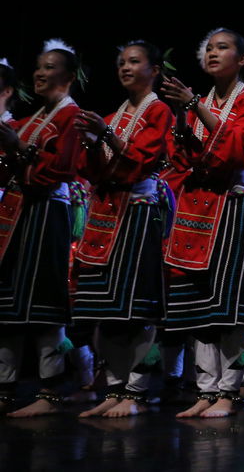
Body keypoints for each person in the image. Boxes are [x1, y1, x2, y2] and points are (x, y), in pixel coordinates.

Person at [161, 28, 244, 417]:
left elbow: (238, 150)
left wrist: (193, 105)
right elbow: (181, 159)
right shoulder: (197, 103)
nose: (212, 53)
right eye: (208, 48)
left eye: (222, 48)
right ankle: (206, 391)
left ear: (241, 59)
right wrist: (182, 115)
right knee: (199, 305)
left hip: (234, 205)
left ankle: (229, 390)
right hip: (196, 209)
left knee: (230, 303)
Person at [73, 40, 173, 418]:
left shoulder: (159, 111)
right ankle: (114, 389)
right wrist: (91, 144)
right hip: (106, 216)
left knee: (137, 309)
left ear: (154, 70)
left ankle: (137, 391)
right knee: (108, 310)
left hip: (139, 213)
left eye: (134, 61)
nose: (125, 68)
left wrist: (106, 136)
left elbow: (140, 162)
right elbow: (94, 171)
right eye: (121, 63)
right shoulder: (113, 116)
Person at [0, 40, 83, 417]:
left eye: (49, 67)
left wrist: (17, 147)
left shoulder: (71, 116)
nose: (39, 73)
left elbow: (59, 169)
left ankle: (51, 390)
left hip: (48, 212)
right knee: (8, 305)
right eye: (38, 66)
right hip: (19, 214)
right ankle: (5, 387)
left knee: (44, 301)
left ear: (68, 76)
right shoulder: (33, 120)